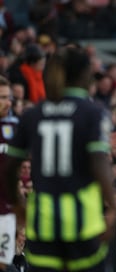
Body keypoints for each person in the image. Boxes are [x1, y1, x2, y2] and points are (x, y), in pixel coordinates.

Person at [5, 46, 116, 272]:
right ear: (84, 74)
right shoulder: (92, 112)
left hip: (43, 222)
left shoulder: (32, 114)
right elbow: (98, 161)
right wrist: (114, 205)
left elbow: (8, 168)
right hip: (83, 223)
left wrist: (17, 203)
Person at [0, 75, 19, 272]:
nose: (8, 102)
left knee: (3, 264)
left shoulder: (13, 127)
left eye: (9, 97)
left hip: (5, 211)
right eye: (2, 97)